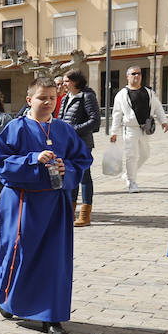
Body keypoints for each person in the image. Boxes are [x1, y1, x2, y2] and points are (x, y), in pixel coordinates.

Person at [0, 78, 93, 334]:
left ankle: (51, 315)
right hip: (23, 204)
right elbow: (0, 164)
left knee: (54, 260)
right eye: (41, 97)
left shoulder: (64, 130)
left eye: (52, 97)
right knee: (18, 253)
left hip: (55, 204)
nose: (48, 102)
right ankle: (8, 296)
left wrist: (66, 169)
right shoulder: (15, 128)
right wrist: (31, 160)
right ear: (29, 100)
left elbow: (82, 160)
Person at [109, 66, 168, 193]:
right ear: (127, 76)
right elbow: (117, 114)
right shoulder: (122, 95)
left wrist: (163, 121)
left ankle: (128, 173)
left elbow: (157, 107)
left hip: (145, 128)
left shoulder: (149, 92)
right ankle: (132, 182)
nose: (136, 76)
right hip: (130, 129)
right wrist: (114, 132)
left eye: (139, 73)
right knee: (131, 156)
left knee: (145, 154)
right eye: (133, 74)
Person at [58, 72, 101, 227]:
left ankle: (85, 214)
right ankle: (70, 211)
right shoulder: (65, 98)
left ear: (76, 81)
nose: (63, 84)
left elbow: (95, 121)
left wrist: (74, 129)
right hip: (67, 144)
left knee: (84, 176)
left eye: (66, 81)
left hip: (82, 143)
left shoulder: (87, 96)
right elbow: (62, 119)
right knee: (71, 176)